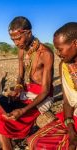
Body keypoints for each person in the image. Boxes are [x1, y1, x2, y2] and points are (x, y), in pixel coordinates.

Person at [0, 16, 54, 150]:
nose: (16, 43)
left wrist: (23, 110)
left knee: (2, 119)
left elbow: (45, 90)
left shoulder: (46, 53)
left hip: (42, 96)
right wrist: (18, 88)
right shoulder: (21, 50)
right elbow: (20, 76)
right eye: (13, 39)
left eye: (18, 38)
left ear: (28, 33)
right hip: (27, 92)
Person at [27, 22, 77, 150]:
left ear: (75, 44)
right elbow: (67, 102)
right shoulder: (65, 66)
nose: (58, 53)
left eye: (60, 49)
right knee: (35, 141)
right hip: (74, 118)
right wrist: (71, 131)